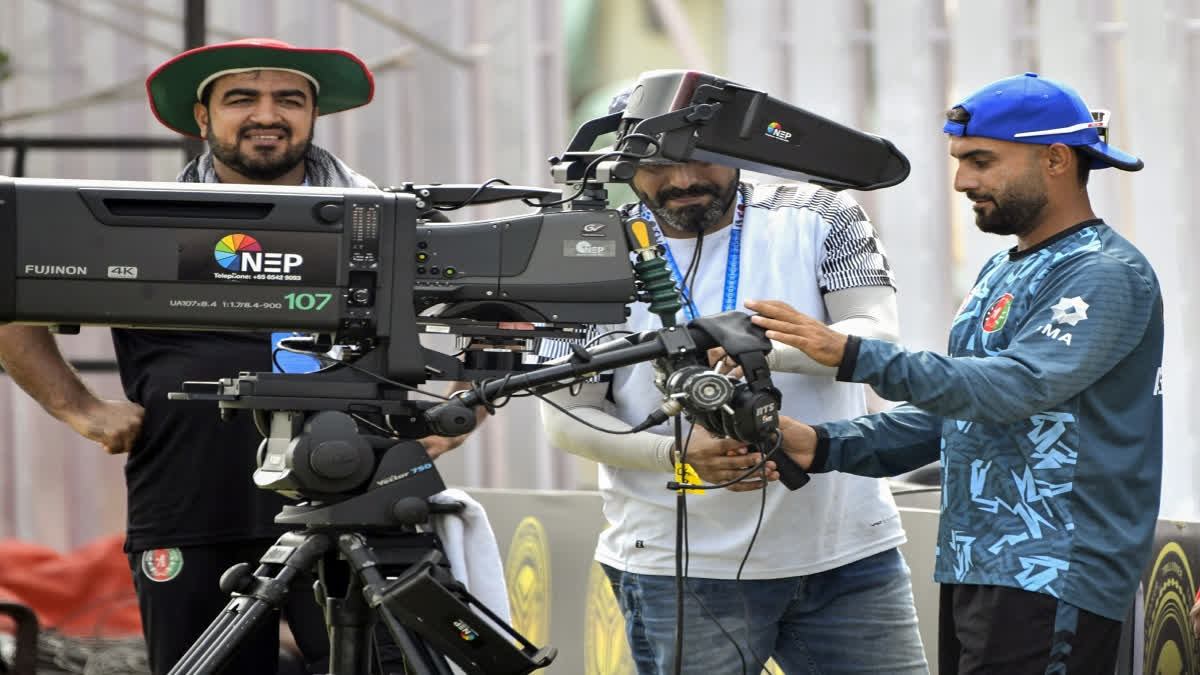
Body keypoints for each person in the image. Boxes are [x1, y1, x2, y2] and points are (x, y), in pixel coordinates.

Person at [0, 38, 472, 674]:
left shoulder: (386, 223)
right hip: (191, 505)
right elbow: (11, 298)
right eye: (241, 98)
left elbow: (504, 306)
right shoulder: (141, 225)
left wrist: (460, 407)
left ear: (312, 115)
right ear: (203, 118)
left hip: (360, 503)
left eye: (289, 99)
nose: (266, 114)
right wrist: (77, 407)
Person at [747, 72, 1161, 674]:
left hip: (1054, 570)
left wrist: (850, 354)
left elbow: (1015, 387)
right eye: (961, 161)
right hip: (980, 565)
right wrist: (824, 445)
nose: (963, 180)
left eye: (982, 160)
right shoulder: (1005, 266)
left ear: (1055, 159)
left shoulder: (1105, 272)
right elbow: (960, 413)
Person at [538, 89, 928, 674]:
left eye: (701, 155)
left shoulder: (822, 213)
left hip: (848, 553)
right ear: (625, 166)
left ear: (740, 150)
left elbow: (878, 338)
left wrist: (766, 348)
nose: (683, 178)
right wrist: (674, 452)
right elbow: (563, 413)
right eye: (658, 164)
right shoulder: (585, 250)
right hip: (678, 570)